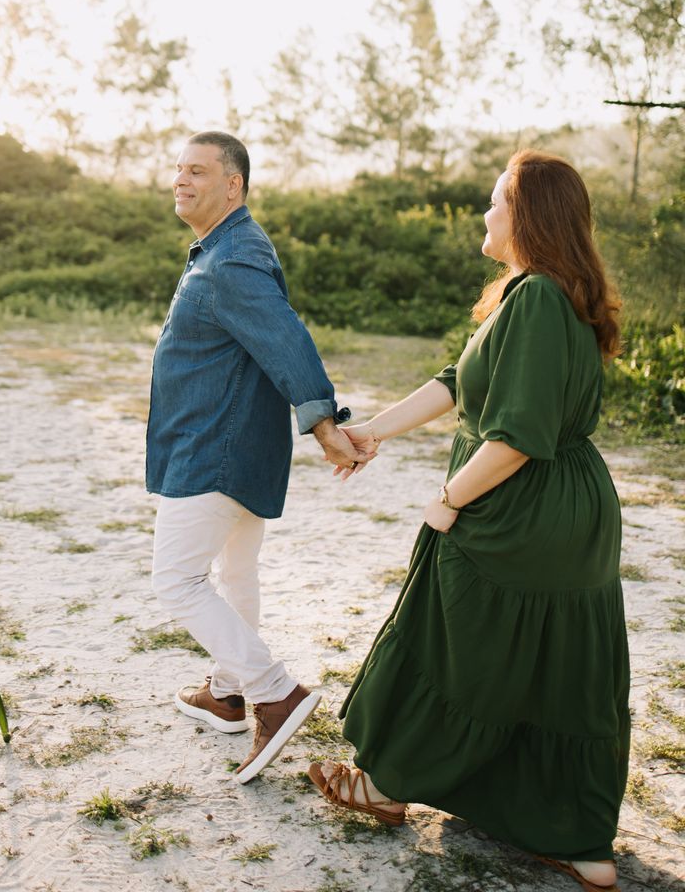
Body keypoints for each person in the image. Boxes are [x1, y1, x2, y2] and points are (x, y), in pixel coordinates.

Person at [307, 150, 629, 892]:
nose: (485, 213)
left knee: (456, 645)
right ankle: (582, 843)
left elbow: (514, 438)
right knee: (558, 670)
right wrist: (372, 432)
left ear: (527, 216)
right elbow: (459, 382)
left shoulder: (539, 298)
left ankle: (385, 785)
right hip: (569, 509)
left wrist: (449, 500)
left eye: (495, 200)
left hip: (519, 507)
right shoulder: (539, 293)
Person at [147, 130, 365, 784]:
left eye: (198, 171)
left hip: (214, 448)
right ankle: (227, 692)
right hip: (235, 445)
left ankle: (274, 693)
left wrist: (323, 422)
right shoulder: (227, 246)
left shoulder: (232, 257)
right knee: (236, 572)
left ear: (232, 184)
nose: (181, 180)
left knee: (176, 580)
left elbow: (284, 338)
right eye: (178, 169)